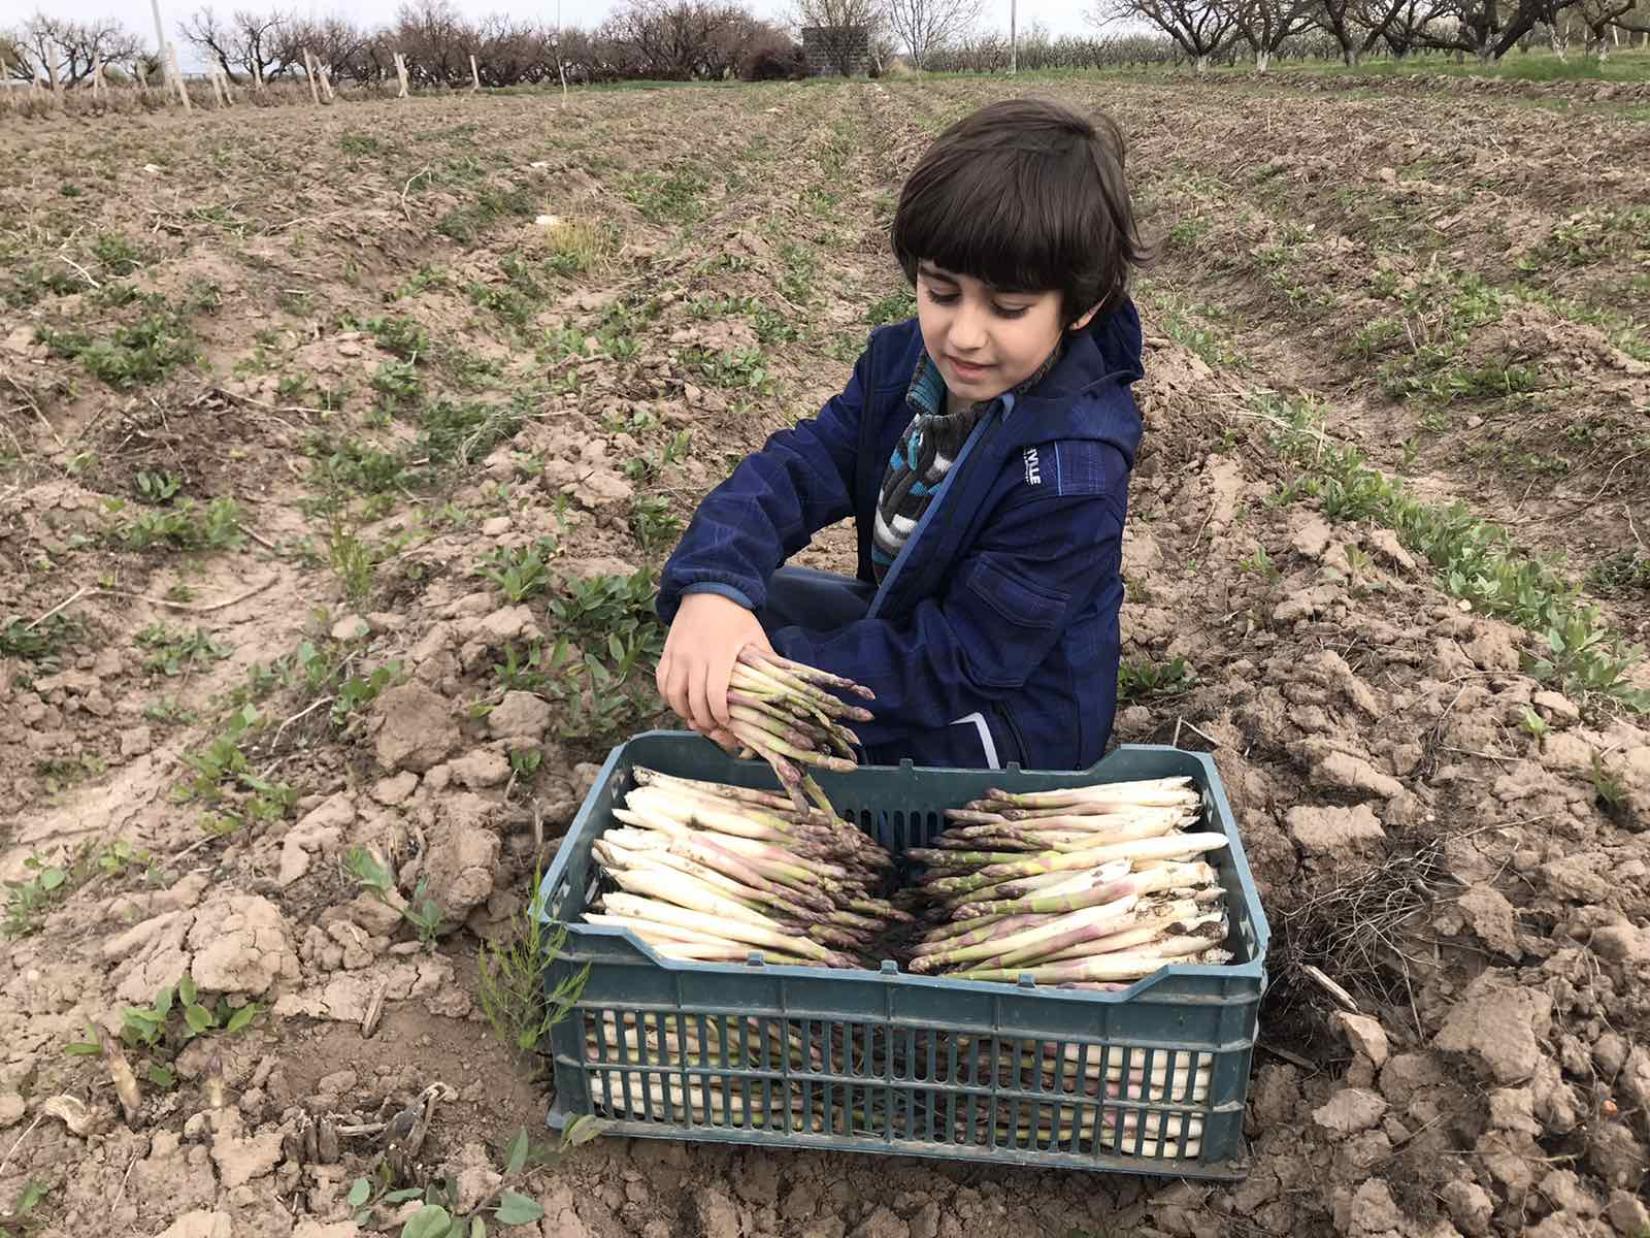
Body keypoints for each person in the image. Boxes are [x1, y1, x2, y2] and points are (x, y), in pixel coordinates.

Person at [654, 96, 1150, 772]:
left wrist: (780, 684)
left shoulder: (1071, 471)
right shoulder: (900, 369)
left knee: (803, 734)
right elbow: (798, 466)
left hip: (1009, 719)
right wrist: (714, 588)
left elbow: (963, 659)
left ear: (1081, 308)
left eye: (1007, 308)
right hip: (907, 625)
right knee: (730, 601)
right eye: (942, 293)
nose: (965, 335)